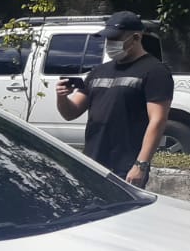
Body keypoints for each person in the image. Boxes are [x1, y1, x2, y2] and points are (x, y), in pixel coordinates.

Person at [54, 10, 172, 186]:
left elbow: (158, 120)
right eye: (108, 39)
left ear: (136, 38)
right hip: (92, 162)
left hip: (126, 166)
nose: (110, 43)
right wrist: (62, 97)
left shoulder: (155, 71)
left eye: (116, 38)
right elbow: (70, 113)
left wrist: (141, 164)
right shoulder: (98, 71)